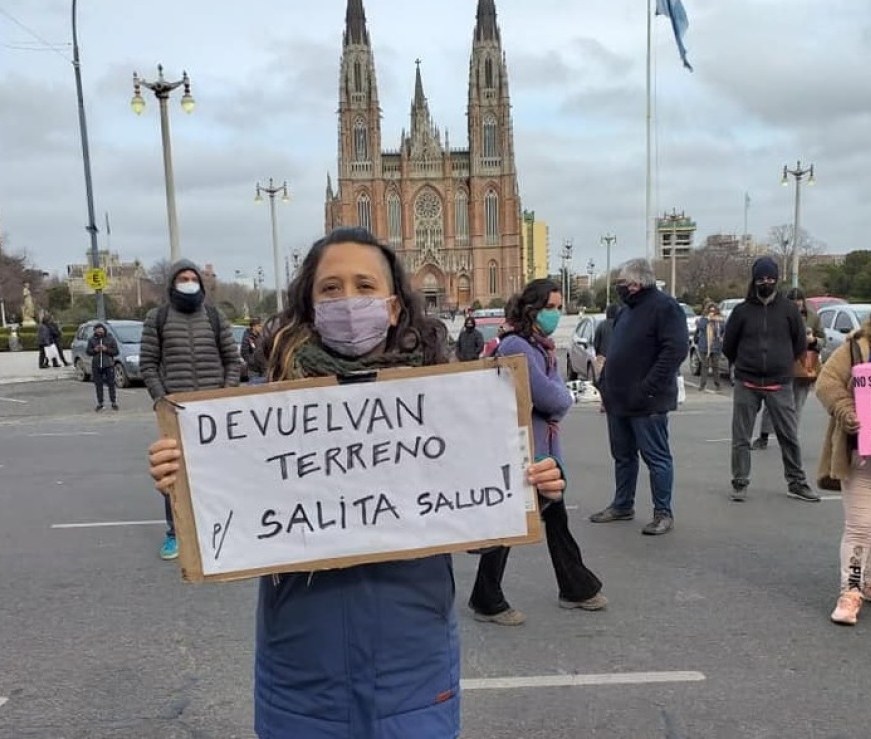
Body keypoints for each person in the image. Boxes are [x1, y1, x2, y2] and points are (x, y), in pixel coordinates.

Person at [147, 227, 566, 739]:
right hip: (301, 676)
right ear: (310, 303)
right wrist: (183, 475)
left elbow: (482, 532)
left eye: (365, 287)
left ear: (392, 306)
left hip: (414, 668)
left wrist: (530, 488)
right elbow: (227, 517)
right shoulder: (258, 410)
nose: (348, 301)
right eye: (331, 288)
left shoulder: (453, 399)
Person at [468, 278, 606, 626]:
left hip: (541, 451)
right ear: (532, 309)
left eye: (559, 307)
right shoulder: (517, 347)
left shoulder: (536, 347)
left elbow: (551, 394)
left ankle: (575, 587)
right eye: (551, 307)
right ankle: (489, 598)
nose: (556, 314)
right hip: (524, 452)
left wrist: (557, 396)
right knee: (515, 523)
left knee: (552, 521)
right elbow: (552, 397)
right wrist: (561, 397)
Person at [140, 260, 242, 561]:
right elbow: (148, 364)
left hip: (214, 413)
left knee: (219, 472)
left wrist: (225, 398)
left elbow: (232, 361)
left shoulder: (214, 316)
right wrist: (163, 401)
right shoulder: (157, 318)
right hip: (177, 413)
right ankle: (175, 534)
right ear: (172, 283)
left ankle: (224, 529)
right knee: (175, 475)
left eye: (192, 277)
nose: (188, 282)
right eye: (182, 278)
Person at [590, 259, 688, 535]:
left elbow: (674, 351)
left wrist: (647, 387)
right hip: (618, 399)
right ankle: (623, 504)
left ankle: (663, 512)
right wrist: (604, 384)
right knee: (623, 456)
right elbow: (614, 350)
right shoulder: (626, 311)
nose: (620, 288)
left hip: (648, 401)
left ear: (636, 283)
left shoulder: (665, 308)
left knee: (656, 457)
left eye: (622, 283)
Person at [722, 257, 818, 502]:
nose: (766, 282)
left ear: (777, 279)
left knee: (789, 435)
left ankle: (797, 482)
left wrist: (782, 363)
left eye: (770, 278)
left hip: (780, 383)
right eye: (761, 278)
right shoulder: (741, 311)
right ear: (754, 280)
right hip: (747, 382)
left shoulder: (788, 311)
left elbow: (798, 344)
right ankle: (740, 482)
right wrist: (744, 364)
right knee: (741, 438)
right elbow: (728, 346)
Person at [815, 294, 871, 625]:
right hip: (865, 456)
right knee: (860, 527)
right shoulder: (857, 348)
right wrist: (847, 410)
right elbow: (826, 383)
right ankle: (851, 590)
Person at [752, 287, 825, 449]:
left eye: (799, 301)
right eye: (793, 301)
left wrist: (813, 341)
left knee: (796, 404)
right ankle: (763, 436)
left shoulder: (812, 317)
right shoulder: (777, 315)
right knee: (772, 402)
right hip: (780, 365)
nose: (797, 304)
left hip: (804, 365)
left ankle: (790, 438)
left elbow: (822, 340)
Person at [86, 322, 119, 411]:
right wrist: (95, 350)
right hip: (96, 365)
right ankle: (100, 403)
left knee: (111, 384)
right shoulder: (91, 339)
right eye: (97, 332)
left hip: (108, 364)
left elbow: (116, 352)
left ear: (104, 330)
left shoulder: (110, 338)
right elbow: (88, 352)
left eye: (101, 332)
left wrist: (106, 349)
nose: (99, 334)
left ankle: (113, 402)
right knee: (98, 385)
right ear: (95, 332)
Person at [695, 302, 724, 391]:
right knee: (705, 366)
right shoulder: (703, 319)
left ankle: (717, 384)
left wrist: (716, 321)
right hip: (704, 346)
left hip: (716, 346)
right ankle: (702, 385)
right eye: (710, 310)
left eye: (714, 311)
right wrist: (708, 320)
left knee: (716, 366)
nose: (712, 312)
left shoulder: (720, 321)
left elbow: (723, 330)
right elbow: (701, 327)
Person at [593, 303, 618, 380]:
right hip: (618, 359)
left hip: (603, 359)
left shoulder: (601, 325)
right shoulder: (621, 324)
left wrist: (598, 354)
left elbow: (596, 343)